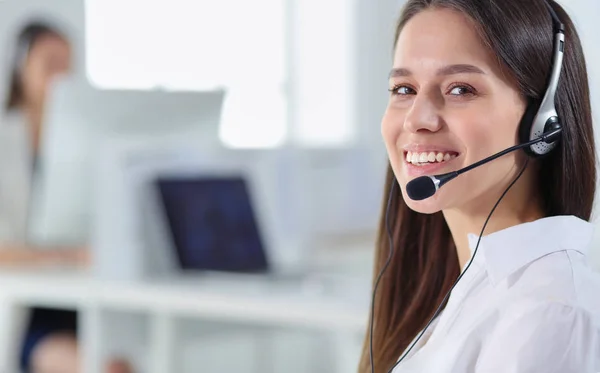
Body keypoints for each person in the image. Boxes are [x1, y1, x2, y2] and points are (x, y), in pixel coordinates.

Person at [359, 0, 600, 372]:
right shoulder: (463, 291)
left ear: (542, 123)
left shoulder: (548, 313)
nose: (416, 120)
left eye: (460, 89)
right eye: (404, 89)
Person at [0, 20, 132, 373]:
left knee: (123, 363)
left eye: (67, 65)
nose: (61, 76)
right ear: (21, 69)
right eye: (50, 64)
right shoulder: (5, 144)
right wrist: (66, 254)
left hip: (83, 298)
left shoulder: (86, 144)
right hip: (27, 311)